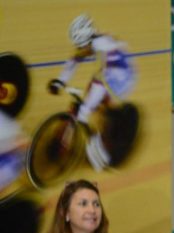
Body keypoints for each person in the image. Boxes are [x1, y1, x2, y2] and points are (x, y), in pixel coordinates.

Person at [48, 13, 135, 171]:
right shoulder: (94, 41)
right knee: (94, 90)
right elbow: (75, 58)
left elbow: (101, 83)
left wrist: (84, 112)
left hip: (121, 79)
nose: (80, 50)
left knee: (95, 93)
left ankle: (103, 150)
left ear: (88, 41)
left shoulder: (101, 46)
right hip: (113, 73)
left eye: (81, 46)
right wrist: (61, 81)